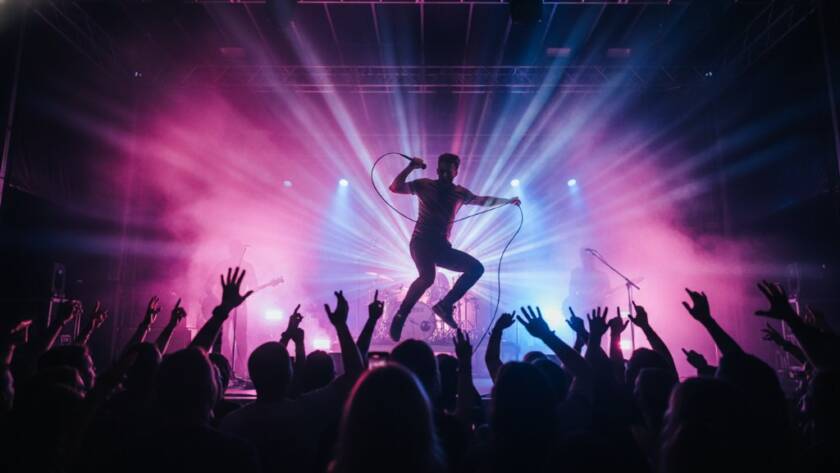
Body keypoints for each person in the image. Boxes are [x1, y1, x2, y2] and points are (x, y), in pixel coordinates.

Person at [388, 153, 520, 341]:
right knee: (427, 277)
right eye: (441, 170)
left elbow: (482, 200)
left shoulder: (460, 193)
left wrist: (506, 201)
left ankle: (445, 305)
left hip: (441, 247)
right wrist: (411, 167)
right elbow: (395, 187)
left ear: (455, 172)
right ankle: (401, 315)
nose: (444, 174)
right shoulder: (424, 184)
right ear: (437, 170)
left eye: (448, 171)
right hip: (421, 242)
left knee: (476, 268)